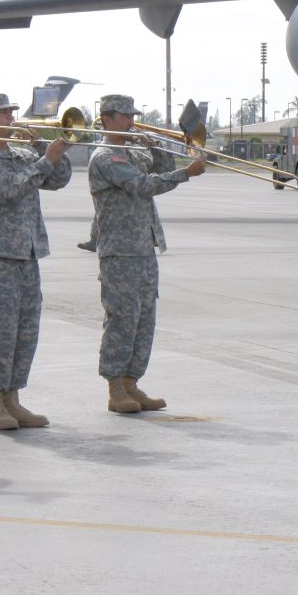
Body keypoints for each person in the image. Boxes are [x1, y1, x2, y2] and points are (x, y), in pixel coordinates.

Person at [0, 92, 72, 430]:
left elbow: (57, 180)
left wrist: (50, 152)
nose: (12, 117)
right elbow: (7, 190)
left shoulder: (21, 154)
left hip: (27, 254)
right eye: (3, 113)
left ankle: (12, 398)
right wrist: (44, 161)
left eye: (11, 111)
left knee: (25, 332)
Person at [88, 94, 205, 413]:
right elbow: (142, 185)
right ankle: (115, 387)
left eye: (132, 116)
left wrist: (158, 146)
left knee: (143, 320)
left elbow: (160, 171)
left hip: (142, 247)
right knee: (122, 319)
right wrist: (185, 173)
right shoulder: (106, 156)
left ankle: (131, 383)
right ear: (107, 119)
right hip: (120, 251)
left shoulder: (132, 151)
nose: (132, 121)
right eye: (125, 117)